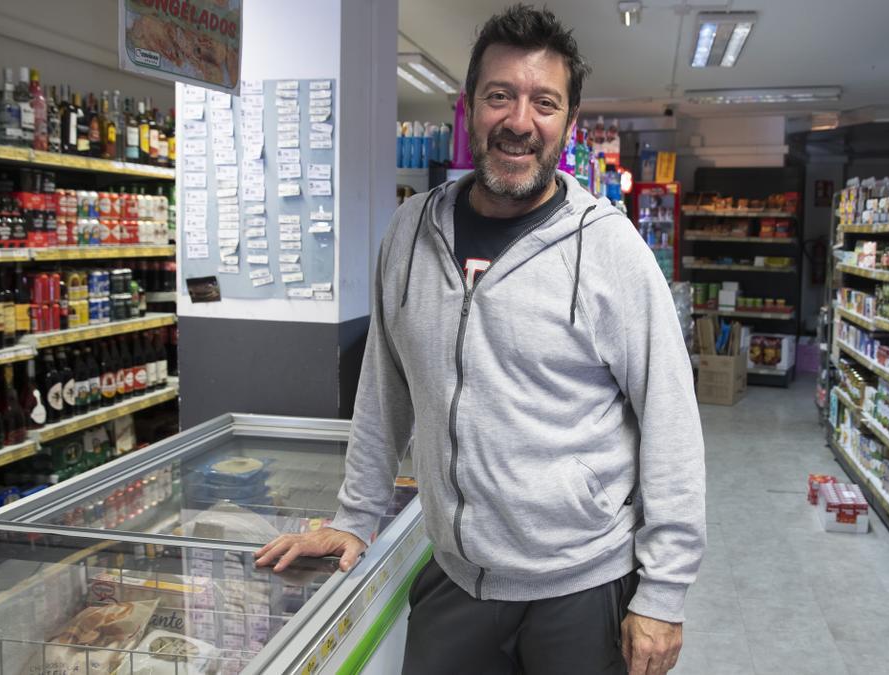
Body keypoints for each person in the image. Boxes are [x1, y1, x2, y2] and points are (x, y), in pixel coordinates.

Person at [255, 5, 706, 674]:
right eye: (501, 96)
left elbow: (671, 422)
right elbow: (385, 390)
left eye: (543, 102)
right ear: (467, 107)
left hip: (579, 590)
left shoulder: (611, 250)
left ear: (567, 123)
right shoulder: (409, 233)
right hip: (456, 578)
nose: (520, 121)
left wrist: (664, 591)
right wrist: (355, 515)